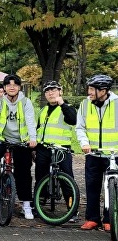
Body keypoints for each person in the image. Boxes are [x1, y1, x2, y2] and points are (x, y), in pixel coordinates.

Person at [0, 74, 37, 219]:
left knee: (23, 172)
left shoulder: (25, 102)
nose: (12, 87)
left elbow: (30, 120)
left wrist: (33, 139)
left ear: (19, 87)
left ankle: (26, 205)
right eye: (8, 84)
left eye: (15, 84)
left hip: (21, 140)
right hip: (2, 137)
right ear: (4, 87)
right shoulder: (0, 100)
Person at [76, 74, 118, 231]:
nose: (89, 92)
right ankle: (92, 218)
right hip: (93, 153)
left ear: (104, 91)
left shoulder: (117, 104)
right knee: (92, 186)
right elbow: (80, 127)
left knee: (112, 187)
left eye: (93, 89)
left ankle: (110, 218)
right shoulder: (85, 105)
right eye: (89, 89)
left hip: (114, 154)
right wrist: (84, 143)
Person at [34, 81, 78, 222]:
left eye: (53, 90)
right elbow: (38, 130)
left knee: (67, 179)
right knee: (40, 176)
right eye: (47, 91)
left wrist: (62, 104)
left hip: (61, 149)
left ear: (60, 91)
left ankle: (72, 208)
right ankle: (39, 204)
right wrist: (34, 149)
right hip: (43, 148)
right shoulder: (43, 111)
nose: (50, 93)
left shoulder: (67, 108)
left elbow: (73, 120)